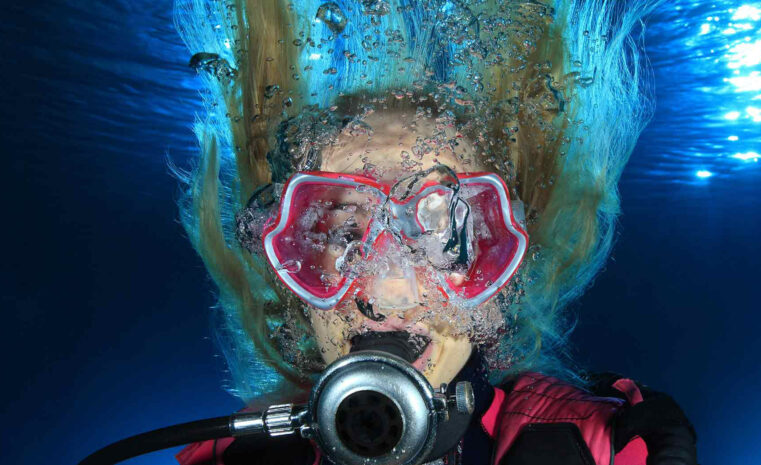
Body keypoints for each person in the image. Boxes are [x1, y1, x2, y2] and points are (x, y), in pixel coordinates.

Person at [173, 0, 697, 463]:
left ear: (499, 266)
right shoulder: (241, 456)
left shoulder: (593, 444)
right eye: (340, 234)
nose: (388, 293)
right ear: (288, 268)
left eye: (440, 234)